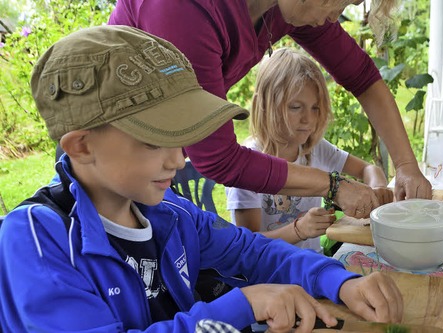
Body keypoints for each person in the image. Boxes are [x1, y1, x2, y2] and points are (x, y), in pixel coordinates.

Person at [0, 25, 403, 332]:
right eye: (155, 141)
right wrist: (241, 305)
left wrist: (337, 280)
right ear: (82, 146)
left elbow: (255, 252)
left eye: (183, 138)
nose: (179, 159)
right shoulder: (35, 241)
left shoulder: (172, 212)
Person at [108, 0, 433, 218]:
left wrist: (406, 165)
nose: (335, 16)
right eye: (340, 1)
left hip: (152, 173)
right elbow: (216, 156)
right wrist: (334, 186)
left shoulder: (286, 8)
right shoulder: (182, 9)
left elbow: (361, 76)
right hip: (108, 173)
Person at [226, 48, 393, 253]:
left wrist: (377, 188)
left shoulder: (315, 149)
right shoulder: (247, 162)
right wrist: (299, 230)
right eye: (296, 107)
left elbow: (368, 169)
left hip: (312, 263)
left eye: (315, 108)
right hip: (268, 277)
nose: (308, 119)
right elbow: (247, 245)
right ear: (265, 105)